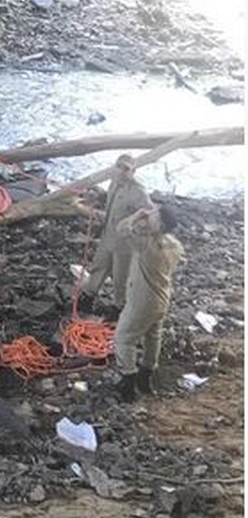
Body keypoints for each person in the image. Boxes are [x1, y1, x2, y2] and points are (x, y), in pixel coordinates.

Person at [114, 201, 184, 401]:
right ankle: (146, 376)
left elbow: (122, 229)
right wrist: (149, 221)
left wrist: (136, 216)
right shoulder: (174, 245)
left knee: (124, 338)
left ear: (160, 225)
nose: (149, 212)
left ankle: (128, 382)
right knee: (153, 336)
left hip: (141, 301)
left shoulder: (147, 244)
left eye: (154, 213)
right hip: (161, 299)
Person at [78, 155, 149, 315]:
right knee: (99, 267)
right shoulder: (114, 182)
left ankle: (119, 308)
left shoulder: (139, 192)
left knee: (120, 278)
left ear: (133, 171)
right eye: (119, 166)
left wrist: (133, 227)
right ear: (114, 166)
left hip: (124, 243)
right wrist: (96, 199)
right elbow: (110, 201)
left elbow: (149, 215)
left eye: (126, 169)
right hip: (107, 235)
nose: (122, 171)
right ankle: (88, 297)